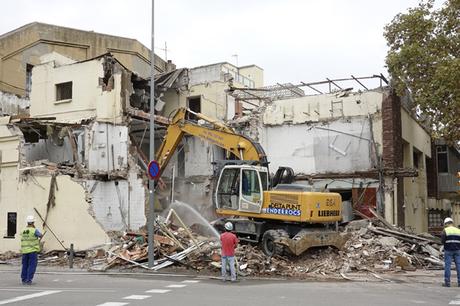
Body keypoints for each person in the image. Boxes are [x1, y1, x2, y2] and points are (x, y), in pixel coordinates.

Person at [20, 215, 42, 285]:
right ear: (33, 223)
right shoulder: (34, 230)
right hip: (32, 251)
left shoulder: (23, 230)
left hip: (24, 251)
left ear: (27, 222)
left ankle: (24, 279)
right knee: (32, 265)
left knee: (25, 265)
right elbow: (40, 235)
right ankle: (29, 280)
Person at [441, 217, 460, 287]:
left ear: (446, 223)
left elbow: (442, 241)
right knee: (459, 266)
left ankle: (447, 282)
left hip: (448, 250)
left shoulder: (445, 230)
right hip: (458, 250)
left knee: (447, 266)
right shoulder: (458, 230)